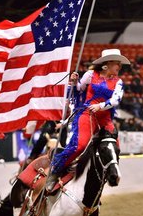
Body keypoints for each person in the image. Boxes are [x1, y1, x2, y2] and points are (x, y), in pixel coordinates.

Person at [46, 49, 131, 191]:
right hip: (87, 115)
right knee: (79, 146)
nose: (120, 67)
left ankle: (108, 174)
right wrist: (74, 82)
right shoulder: (91, 74)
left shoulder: (119, 82)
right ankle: (55, 172)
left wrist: (100, 106)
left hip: (105, 119)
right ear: (108, 63)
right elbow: (79, 89)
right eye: (118, 64)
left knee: (115, 147)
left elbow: (116, 99)